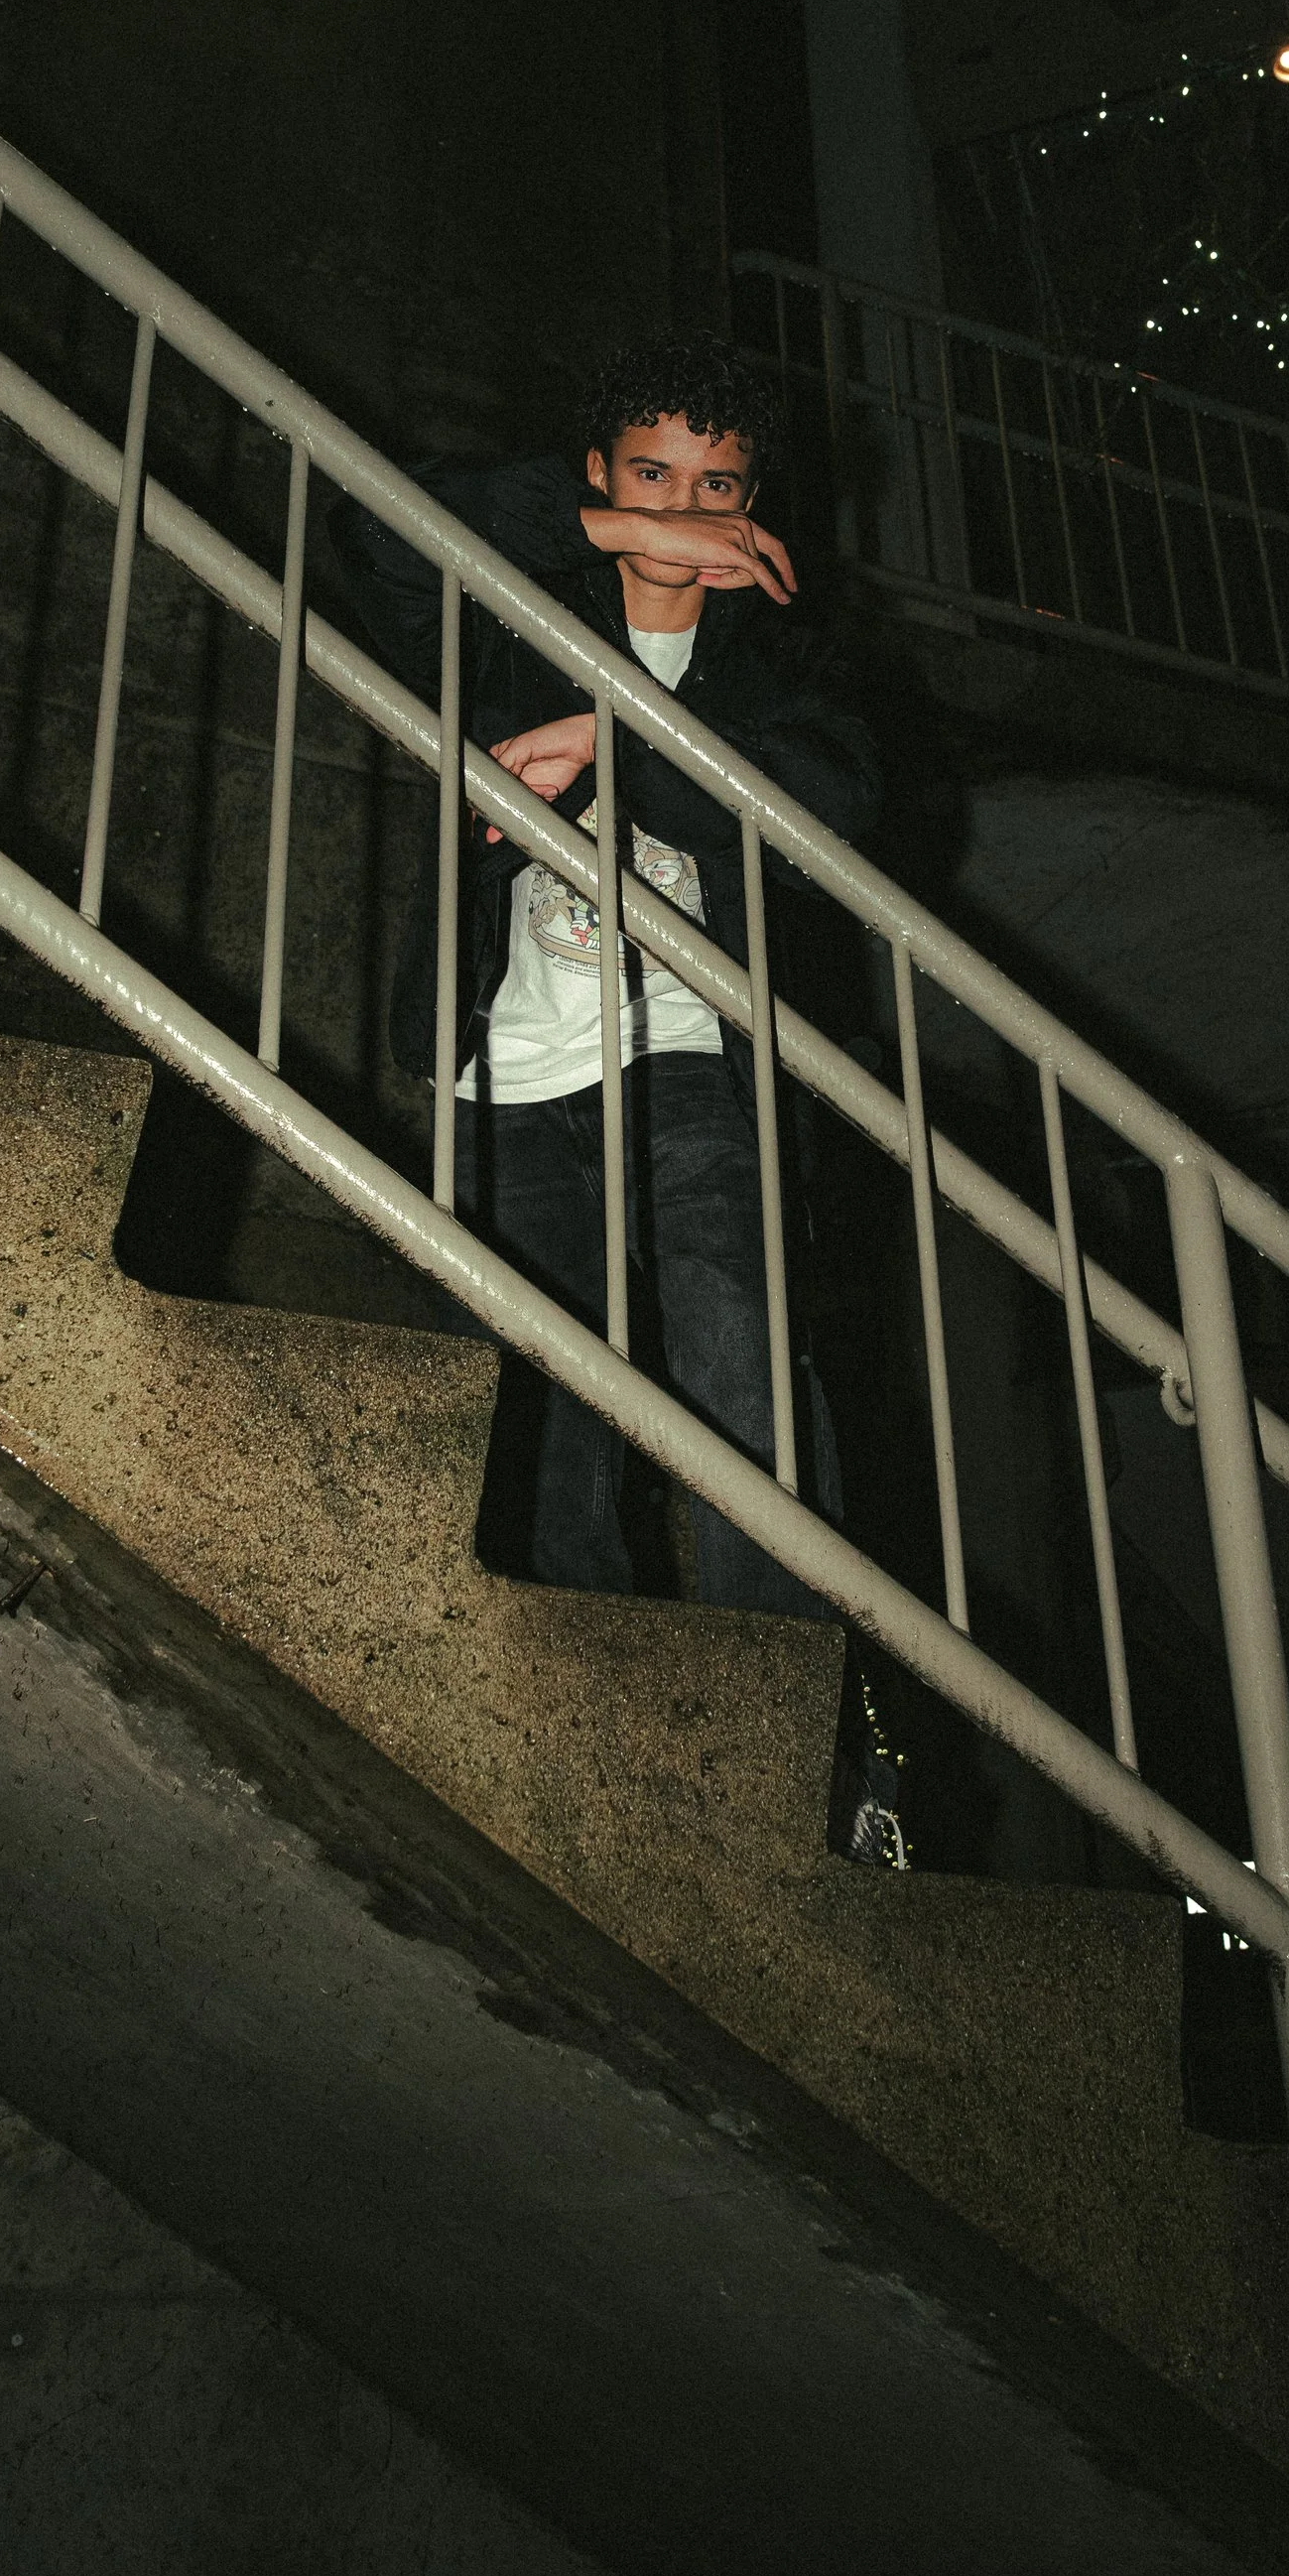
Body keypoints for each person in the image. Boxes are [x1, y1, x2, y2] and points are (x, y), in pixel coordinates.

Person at [328, 328, 881, 1614]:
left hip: (690, 1052)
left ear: (754, 504)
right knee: (534, 1408)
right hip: (508, 1062)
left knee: (738, 1365)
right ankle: (560, 1658)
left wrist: (612, 742)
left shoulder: (784, 654)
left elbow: (834, 802)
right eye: (651, 477)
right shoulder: (511, 614)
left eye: (716, 489)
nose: (684, 515)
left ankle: (793, 1694)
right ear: (595, 478)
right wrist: (590, 533)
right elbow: (377, 532)